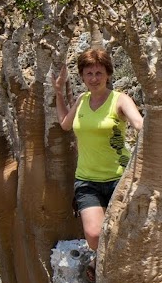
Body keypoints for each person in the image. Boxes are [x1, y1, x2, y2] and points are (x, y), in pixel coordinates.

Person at [53, 48, 143, 253]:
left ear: (108, 74)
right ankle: (100, 261)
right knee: (94, 235)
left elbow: (139, 123)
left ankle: (106, 267)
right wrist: (58, 93)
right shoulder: (82, 100)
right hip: (87, 180)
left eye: (99, 73)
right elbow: (66, 124)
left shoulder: (120, 99)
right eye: (89, 74)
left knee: (123, 233)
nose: (94, 78)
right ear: (83, 77)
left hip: (120, 179)